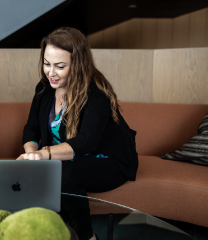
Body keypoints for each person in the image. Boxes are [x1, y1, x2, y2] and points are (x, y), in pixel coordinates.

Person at [17, 27, 138, 240]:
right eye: (47, 63)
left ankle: (86, 237)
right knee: (53, 173)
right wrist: (30, 154)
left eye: (60, 66)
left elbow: (87, 141)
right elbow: (31, 128)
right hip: (62, 159)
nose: (50, 72)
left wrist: (43, 154)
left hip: (108, 161)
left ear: (78, 64)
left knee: (63, 174)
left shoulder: (96, 93)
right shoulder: (44, 88)